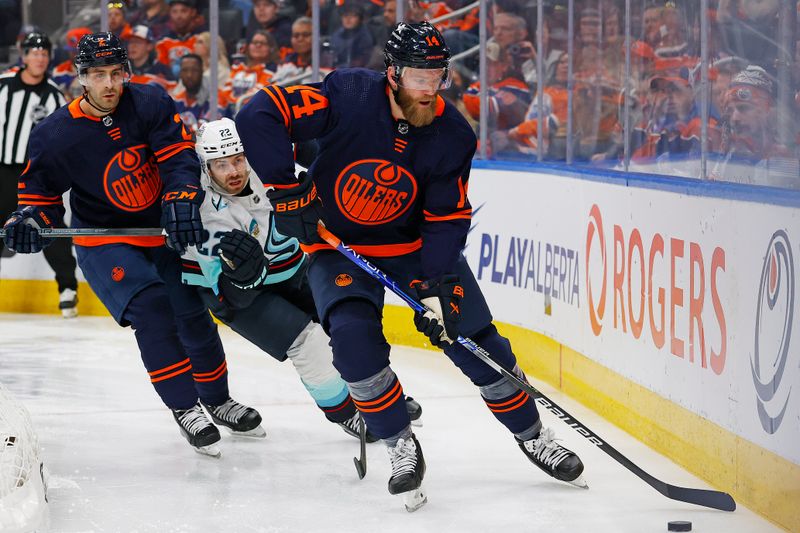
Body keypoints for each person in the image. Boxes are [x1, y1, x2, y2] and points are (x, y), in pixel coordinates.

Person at [235, 21, 586, 511]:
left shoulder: (452, 134)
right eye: (418, 76)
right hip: (339, 247)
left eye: (437, 76)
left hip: (415, 249)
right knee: (354, 346)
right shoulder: (349, 93)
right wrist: (286, 189)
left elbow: (446, 217)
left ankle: (532, 434)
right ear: (393, 73)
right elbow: (261, 112)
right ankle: (398, 440)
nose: (428, 89)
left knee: (475, 342)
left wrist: (438, 284)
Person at [2, 32, 262, 457]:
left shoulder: (150, 102)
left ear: (126, 72)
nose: (109, 85)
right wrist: (28, 220)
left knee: (193, 313)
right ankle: (185, 407)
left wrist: (180, 196)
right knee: (153, 309)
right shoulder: (54, 135)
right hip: (106, 240)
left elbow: (178, 156)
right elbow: (39, 199)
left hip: (161, 230)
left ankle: (217, 400)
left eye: (116, 74)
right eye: (98, 75)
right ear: (81, 77)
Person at [182, 117, 421, 441]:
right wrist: (241, 279)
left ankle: (378, 399)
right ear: (206, 167)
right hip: (236, 291)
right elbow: (226, 291)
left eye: (238, 159)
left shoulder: (270, 171)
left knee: (347, 323)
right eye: (221, 165)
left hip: (291, 268)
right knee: (307, 341)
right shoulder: (202, 210)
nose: (234, 171)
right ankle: (346, 413)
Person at [0, 31, 80, 318]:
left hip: (35, 174)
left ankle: (67, 288)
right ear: (24, 57)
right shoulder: (3, 84)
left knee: (48, 226)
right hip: (3, 170)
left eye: (44, 54)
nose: (39, 58)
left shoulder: (53, 94)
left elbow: (61, 137)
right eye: (34, 53)